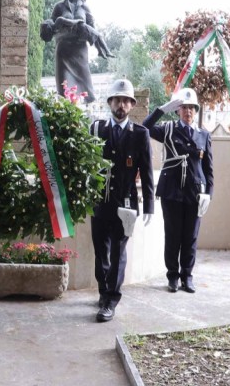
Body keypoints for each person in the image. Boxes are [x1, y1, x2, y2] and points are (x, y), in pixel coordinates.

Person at [89, 79, 154, 322]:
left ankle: (111, 300)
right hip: (100, 201)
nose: (122, 105)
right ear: (110, 103)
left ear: (131, 105)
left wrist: (148, 206)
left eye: (126, 101)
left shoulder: (140, 134)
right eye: (118, 100)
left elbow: (147, 172)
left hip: (126, 204)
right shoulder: (96, 129)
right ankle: (103, 290)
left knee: (118, 251)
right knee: (100, 250)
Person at [142, 87, 214, 293]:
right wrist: (161, 110)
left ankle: (187, 276)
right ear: (177, 110)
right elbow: (145, 127)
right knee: (172, 235)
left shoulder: (204, 136)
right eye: (183, 107)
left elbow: (209, 169)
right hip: (172, 191)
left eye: (191, 108)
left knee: (190, 236)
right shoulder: (169, 129)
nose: (188, 111)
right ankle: (172, 275)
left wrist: (209, 193)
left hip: (195, 193)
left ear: (196, 111)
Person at [40, 0, 112, 103]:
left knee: (86, 90)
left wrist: (98, 43)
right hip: (63, 51)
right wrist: (48, 24)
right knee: (64, 90)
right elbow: (52, 23)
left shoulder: (85, 8)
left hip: (80, 51)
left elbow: (92, 28)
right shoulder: (59, 7)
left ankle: (85, 114)